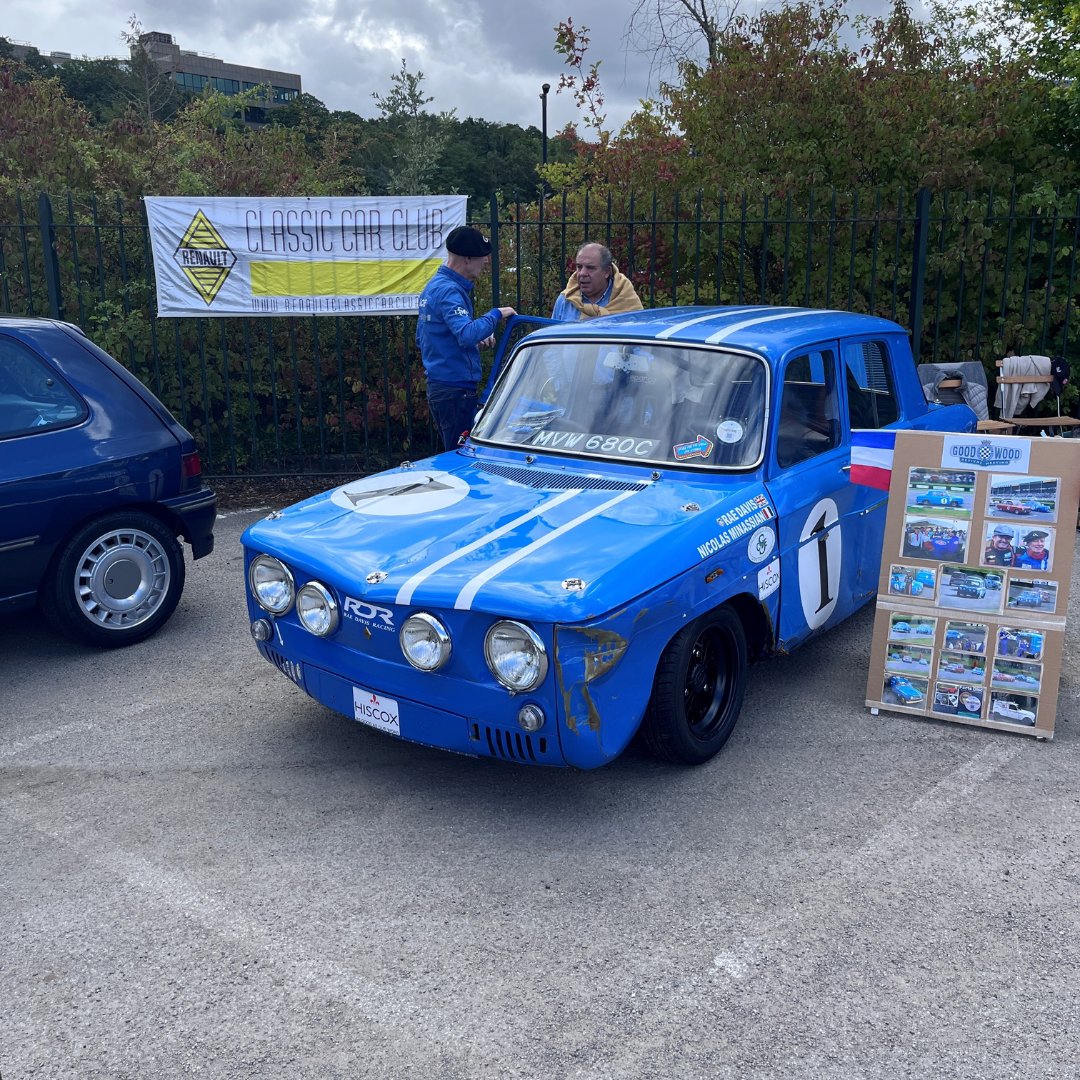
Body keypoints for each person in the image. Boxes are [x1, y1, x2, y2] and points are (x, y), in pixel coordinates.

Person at [416, 226, 516, 450]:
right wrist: (497, 314)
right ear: (468, 259)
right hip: (455, 390)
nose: (486, 262)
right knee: (460, 456)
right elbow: (466, 333)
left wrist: (471, 343)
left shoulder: (433, 287)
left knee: (454, 450)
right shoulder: (450, 291)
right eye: (483, 257)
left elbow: (423, 338)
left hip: (442, 386)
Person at [551, 243, 643, 321]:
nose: (582, 273)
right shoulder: (565, 300)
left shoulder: (626, 300)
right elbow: (551, 337)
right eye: (579, 267)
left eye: (590, 268)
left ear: (606, 272)